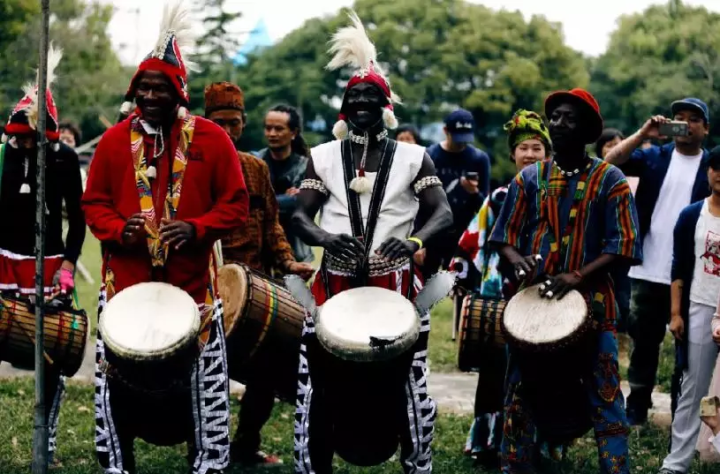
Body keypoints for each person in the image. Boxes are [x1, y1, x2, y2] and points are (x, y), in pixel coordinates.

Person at [82, 5, 248, 473]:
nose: (150, 96)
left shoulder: (213, 139)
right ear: (133, 91)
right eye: (143, 88)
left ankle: (209, 462)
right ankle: (116, 463)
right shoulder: (114, 142)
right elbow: (93, 204)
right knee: (116, 386)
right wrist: (120, 229)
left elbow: (235, 204)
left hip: (194, 288)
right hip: (125, 287)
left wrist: (196, 228)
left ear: (179, 92)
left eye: (160, 88)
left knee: (204, 390)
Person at [291, 11, 452, 473]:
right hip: (332, 290)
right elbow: (300, 216)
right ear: (345, 107)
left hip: (396, 290)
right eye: (353, 96)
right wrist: (324, 236)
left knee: (407, 386)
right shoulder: (320, 157)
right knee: (319, 386)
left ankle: (416, 465)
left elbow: (443, 212)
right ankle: (312, 467)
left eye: (370, 96)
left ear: (385, 105)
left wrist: (415, 241)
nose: (361, 102)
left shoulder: (413, 157)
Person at [490, 88, 642, 474]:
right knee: (519, 399)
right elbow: (503, 237)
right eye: (554, 116)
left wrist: (577, 276)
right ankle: (517, 467)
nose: (557, 124)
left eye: (569, 118)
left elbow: (623, 245)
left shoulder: (611, 180)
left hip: (594, 308)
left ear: (589, 131)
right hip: (534, 309)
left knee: (606, 399)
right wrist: (518, 260)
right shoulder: (530, 178)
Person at [203, 81, 313, 467]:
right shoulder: (194, 168)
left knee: (265, 374)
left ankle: (246, 444)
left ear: (242, 122)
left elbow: (272, 227)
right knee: (206, 375)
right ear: (205, 122)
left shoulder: (255, 168)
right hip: (208, 287)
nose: (228, 131)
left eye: (234, 123)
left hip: (258, 286)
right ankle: (204, 448)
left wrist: (288, 262)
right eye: (219, 122)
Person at [450, 109, 551, 467]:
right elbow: (472, 242)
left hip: (543, 295)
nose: (529, 154)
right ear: (512, 155)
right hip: (498, 296)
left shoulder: (558, 199)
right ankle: (487, 443)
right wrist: (461, 281)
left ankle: (534, 443)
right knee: (494, 371)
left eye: (537, 148)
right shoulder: (497, 197)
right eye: (523, 147)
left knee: (537, 372)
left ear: (547, 154)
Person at [0, 45, 85, 466]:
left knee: (54, 357)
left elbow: (79, 221)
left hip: (50, 264)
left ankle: (46, 441)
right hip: (4, 262)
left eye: (35, 138)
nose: (26, 144)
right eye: (21, 138)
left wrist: (69, 265)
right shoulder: (3, 155)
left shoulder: (65, 159)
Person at [605, 98, 711, 425]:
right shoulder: (654, 156)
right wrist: (643, 133)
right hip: (647, 267)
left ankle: (684, 409)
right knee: (644, 344)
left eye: (694, 119)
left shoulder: (712, 166)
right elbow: (610, 159)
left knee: (689, 347)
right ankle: (638, 405)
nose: (686, 124)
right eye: (679, 118)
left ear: (705, 129)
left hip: (691, 273)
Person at [656, 146, 720, 474]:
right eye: (716, 167)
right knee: (692, 387)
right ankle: (676, 462)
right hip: (699, 305)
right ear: (708, 171)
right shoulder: (692, 214)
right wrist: (676, 313)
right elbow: (679, 266)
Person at [421, 108, 490, 279]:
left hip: (462, 232)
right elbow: (418, 201)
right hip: (432, 231)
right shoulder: (430, 156)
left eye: (465, 139)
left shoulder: (479, 159)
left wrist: (473, 193)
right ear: (446, 131)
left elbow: (485, 207)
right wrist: (418, 240)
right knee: (420, 287)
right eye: (457, 138)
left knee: (460, 286)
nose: (462, 144)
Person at [256, 104, 313, 267]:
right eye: (268, 128)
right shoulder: (255, 162)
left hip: (295, 252)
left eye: (279, 129)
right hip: (261, 252)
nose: (272, 134)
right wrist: (283, 200)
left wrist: (264, 200)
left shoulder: (306, 166)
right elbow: (247, 204)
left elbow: (300, 204)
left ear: (293, 133)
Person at [596, 128, 633, 332]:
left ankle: (621, 334)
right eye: (609, 145)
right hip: (600, 247)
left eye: (618, 143)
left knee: (623, 297)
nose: (615, 149)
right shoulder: (593, 174)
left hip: (624, 247)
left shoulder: (635, 171)